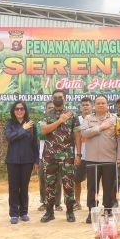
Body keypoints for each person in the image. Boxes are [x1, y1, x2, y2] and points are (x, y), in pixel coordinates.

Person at [79, 94, 120, 223]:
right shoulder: (88, 118)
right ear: (94, 105)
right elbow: (84, 133)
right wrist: (101, 127)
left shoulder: (115, 119)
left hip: (110, 159)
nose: (101, 105)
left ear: (107, 105)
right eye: (98, 103)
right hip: (92, 159)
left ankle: (108, 210)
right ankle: (92, 211)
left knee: (109, 187)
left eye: (103, 103)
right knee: (92, 188)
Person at [39, 89, 78, 222]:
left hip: (67, 155)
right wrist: (59, 121)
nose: (57, 99)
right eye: (55, 97)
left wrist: (78, 153)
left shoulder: (72, 115)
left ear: (65, 98)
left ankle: (70, 211)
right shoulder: (46, 114)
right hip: (50, 155)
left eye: (60, 97)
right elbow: (43, 130)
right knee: (50, 184)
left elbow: (77, 135)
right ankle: (49, 212)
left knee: (68, 183)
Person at [5, 100, 39, 224]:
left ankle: (24, 212)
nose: (19, 111)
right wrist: (23, 129)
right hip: (13, 160)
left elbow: (35, 144)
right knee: (13, 187)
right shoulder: (10, 123)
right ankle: (14, 213)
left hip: (27, 160)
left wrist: (36, 160)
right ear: (13, 111)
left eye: (22, 109)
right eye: (17, 109)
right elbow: (10, 137)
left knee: (24, 187)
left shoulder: (31, 124)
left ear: (25, 110)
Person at [37, 100, 61, 212]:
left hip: (60, 156)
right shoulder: (41, 122)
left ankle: (57, 204)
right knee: (43, 180)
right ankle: (44, 202)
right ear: (46, 110)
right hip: (44, 156)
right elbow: (42, 135)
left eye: (53, 107)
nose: (51, 109)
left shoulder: (63, 122)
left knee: (59, 181)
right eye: (49, 108)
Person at [74, 97, 92, 210]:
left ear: (92, 106)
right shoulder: (77, 119)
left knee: (93, 181)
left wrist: (84, 134)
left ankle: (92, 202)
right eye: (83, 105)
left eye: (87, 105)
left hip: (92, 155)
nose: (85, 107)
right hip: (80, 154)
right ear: (81, 108)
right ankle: (77, 202)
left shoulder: (95, 118)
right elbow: (76, 136)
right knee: (76, 180)